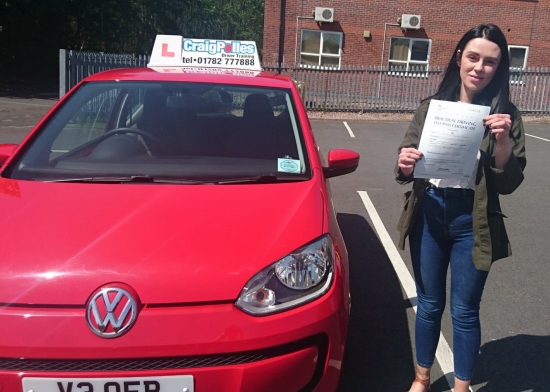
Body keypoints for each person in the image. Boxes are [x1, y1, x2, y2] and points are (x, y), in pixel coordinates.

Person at [394, 24, 527, 392]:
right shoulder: (430, 109)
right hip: (430, 213)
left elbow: (509, 183)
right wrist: (405, 163)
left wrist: (501, 142)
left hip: (474, 220)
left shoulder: (506, 117)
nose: (479, 67)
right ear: (459, 58)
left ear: (499, 68)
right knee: (430, 304)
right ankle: (421, 379)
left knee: (465, 312)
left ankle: (461, 387)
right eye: (473, 57)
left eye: (490, 62)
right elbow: (404, 167)